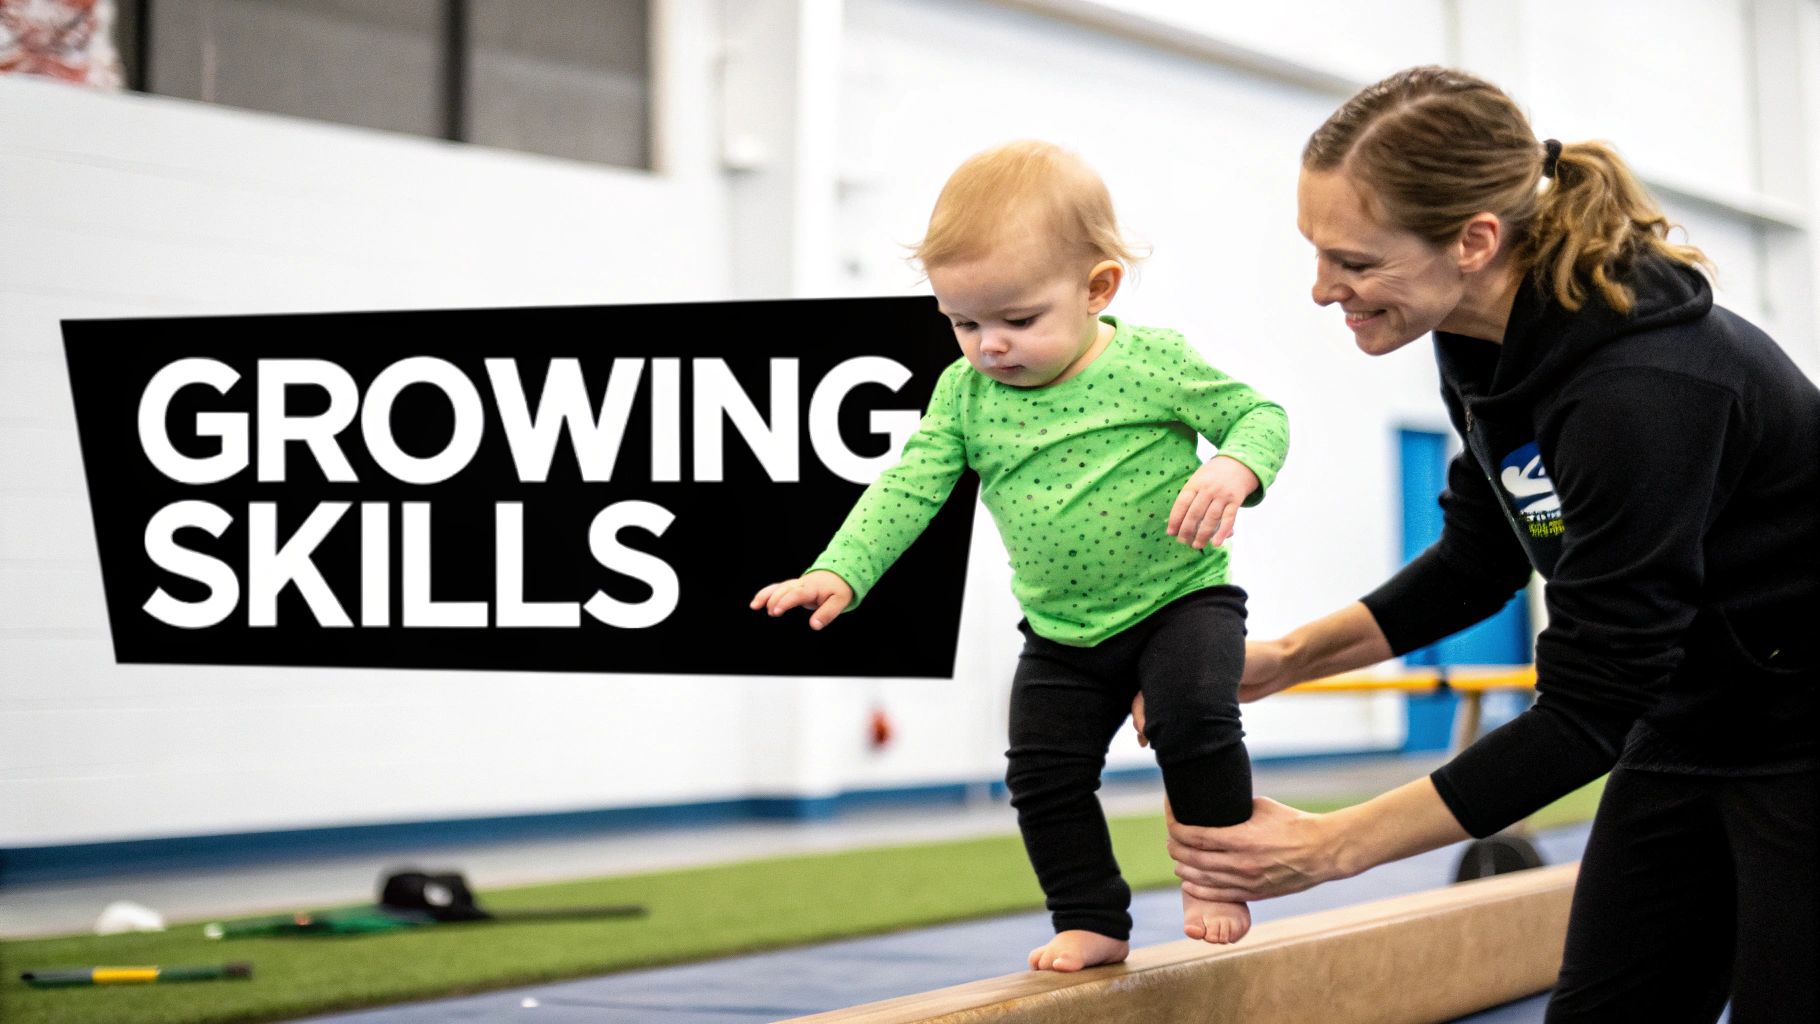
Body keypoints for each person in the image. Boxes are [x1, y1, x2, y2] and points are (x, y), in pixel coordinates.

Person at [1153, 66, 1818, 1021]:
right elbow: (1482, 553)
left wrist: (1332, 846)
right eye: (1315, 252)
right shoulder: (1482, 340)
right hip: (1688, 726)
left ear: (1472, 241)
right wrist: (1280, 663)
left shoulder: (1644, 387)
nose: (1320, 289)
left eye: (1353, 260)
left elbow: (1591, 703)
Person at [751, 140, 1290, 972]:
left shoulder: (1151, 363)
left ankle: (1217, 878)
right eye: (964, 322)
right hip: (1063, 632)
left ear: (1097, 287)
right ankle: (1091, 917)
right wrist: (841, 569)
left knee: (1194, 720)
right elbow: (908, 490)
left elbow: (1260, 415)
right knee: (1041, 775)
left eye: (1018, 320)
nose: (989, 346)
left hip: (1182, 600)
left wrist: (1233, 463)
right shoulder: (963, 395)